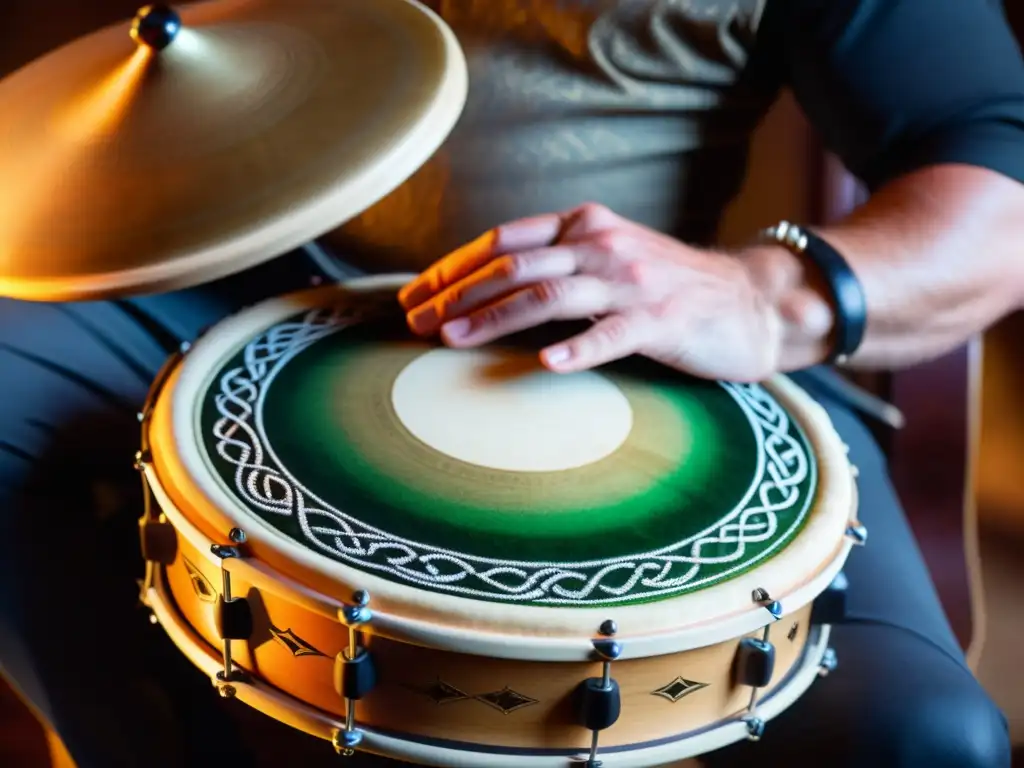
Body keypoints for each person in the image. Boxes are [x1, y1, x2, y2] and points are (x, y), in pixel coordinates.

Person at [1, 0, 1022, 766]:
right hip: (226, 282)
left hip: (620, 339)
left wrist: (758, 295)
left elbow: (998, 182)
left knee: (919, 737)